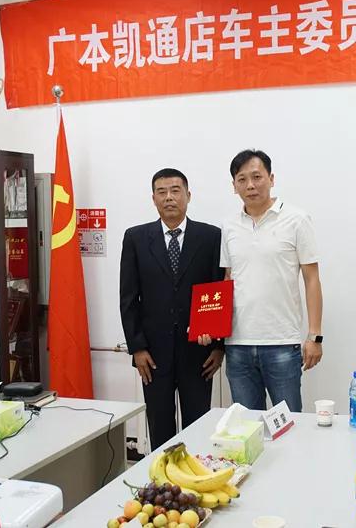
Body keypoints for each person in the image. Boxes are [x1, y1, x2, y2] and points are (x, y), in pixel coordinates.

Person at [119, 168, 224, 450]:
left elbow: (219, 291)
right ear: (153, 198)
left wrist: (218, 346)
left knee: (198, 425)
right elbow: (128, 298)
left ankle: (196, 472)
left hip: (199, 353)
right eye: (162, 192)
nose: (169, 197)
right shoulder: (136, 238)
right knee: (159, 426)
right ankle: (163, 474)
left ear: (188, 195)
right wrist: (137, 348)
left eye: (175, 191)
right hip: (152, 355)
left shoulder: (211, 236)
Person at [220, 149, 324, 412]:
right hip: (238, 346)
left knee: (289, 426)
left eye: (257, 176)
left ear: (271, 178)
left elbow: (312, 279)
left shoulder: (297, 219)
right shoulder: (229, 226)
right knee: (246, 428)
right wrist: (212, 325)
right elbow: (228, 279)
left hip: (281, 343)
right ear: (234, 186)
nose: (250, 185)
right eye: (242, 179)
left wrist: (315, 336)